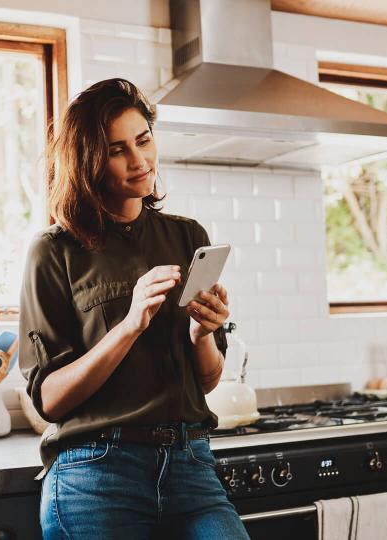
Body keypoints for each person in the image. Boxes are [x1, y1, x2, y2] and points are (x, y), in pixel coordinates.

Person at [18, 78, 249, 540]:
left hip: (190, 465)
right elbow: (49, 400)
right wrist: (128, 326)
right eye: (117, 149)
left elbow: (206, 380)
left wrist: (202, 334)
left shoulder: (188, 237)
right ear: (88, 161)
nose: (139, 160)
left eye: (143, 140)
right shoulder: (54, 252)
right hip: (98, 475)